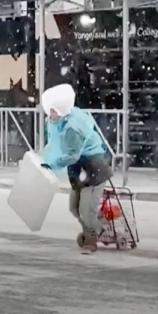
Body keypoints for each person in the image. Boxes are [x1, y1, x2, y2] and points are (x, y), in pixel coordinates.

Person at [40, 84, 113, 254]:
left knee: (86, 210)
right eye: (50, 110)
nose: (50, 115)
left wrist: (52, 165)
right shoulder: (57, 121)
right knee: (74, 207)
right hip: (79, 169)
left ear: (63, 109)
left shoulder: (72, 127)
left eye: (54, 111)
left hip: (93, 166)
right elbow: (55, 144)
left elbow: (71, 155)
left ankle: (91, 240)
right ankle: (97, 227)